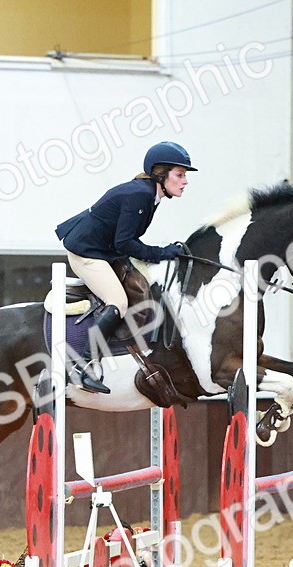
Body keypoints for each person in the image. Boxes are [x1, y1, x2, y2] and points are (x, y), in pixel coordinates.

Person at [53, 141, 196, 393]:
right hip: (87, 253)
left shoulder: (150, 195)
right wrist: (162, 252)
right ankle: (82, 368)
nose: (185, 181)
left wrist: (162, 253)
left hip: (106, 251)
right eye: (179, 175)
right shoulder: (140, 195)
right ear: (160, 174)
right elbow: (125, 242)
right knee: (118, 302)